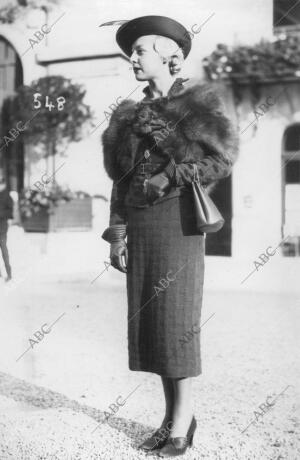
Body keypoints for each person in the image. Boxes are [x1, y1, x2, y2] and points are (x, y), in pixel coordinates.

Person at [101, 15, 239, 457]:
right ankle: (172, 417)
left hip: (178, 227)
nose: (133, 60)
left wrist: (173, 175)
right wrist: (118, 233)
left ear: (170, 54)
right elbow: (120, 182)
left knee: (176, 323)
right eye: (132, 53)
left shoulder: (198, 107)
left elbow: (221, 162)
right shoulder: (127, 117)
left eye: (140, 51)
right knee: (154, 325)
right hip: (140, 228)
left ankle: (181, 422)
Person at [0, 174, 13, 282]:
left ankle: (9, 274)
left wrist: (2, 214)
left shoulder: (7, 196)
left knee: (4, 250)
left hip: (2, 228)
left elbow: (10, 211)